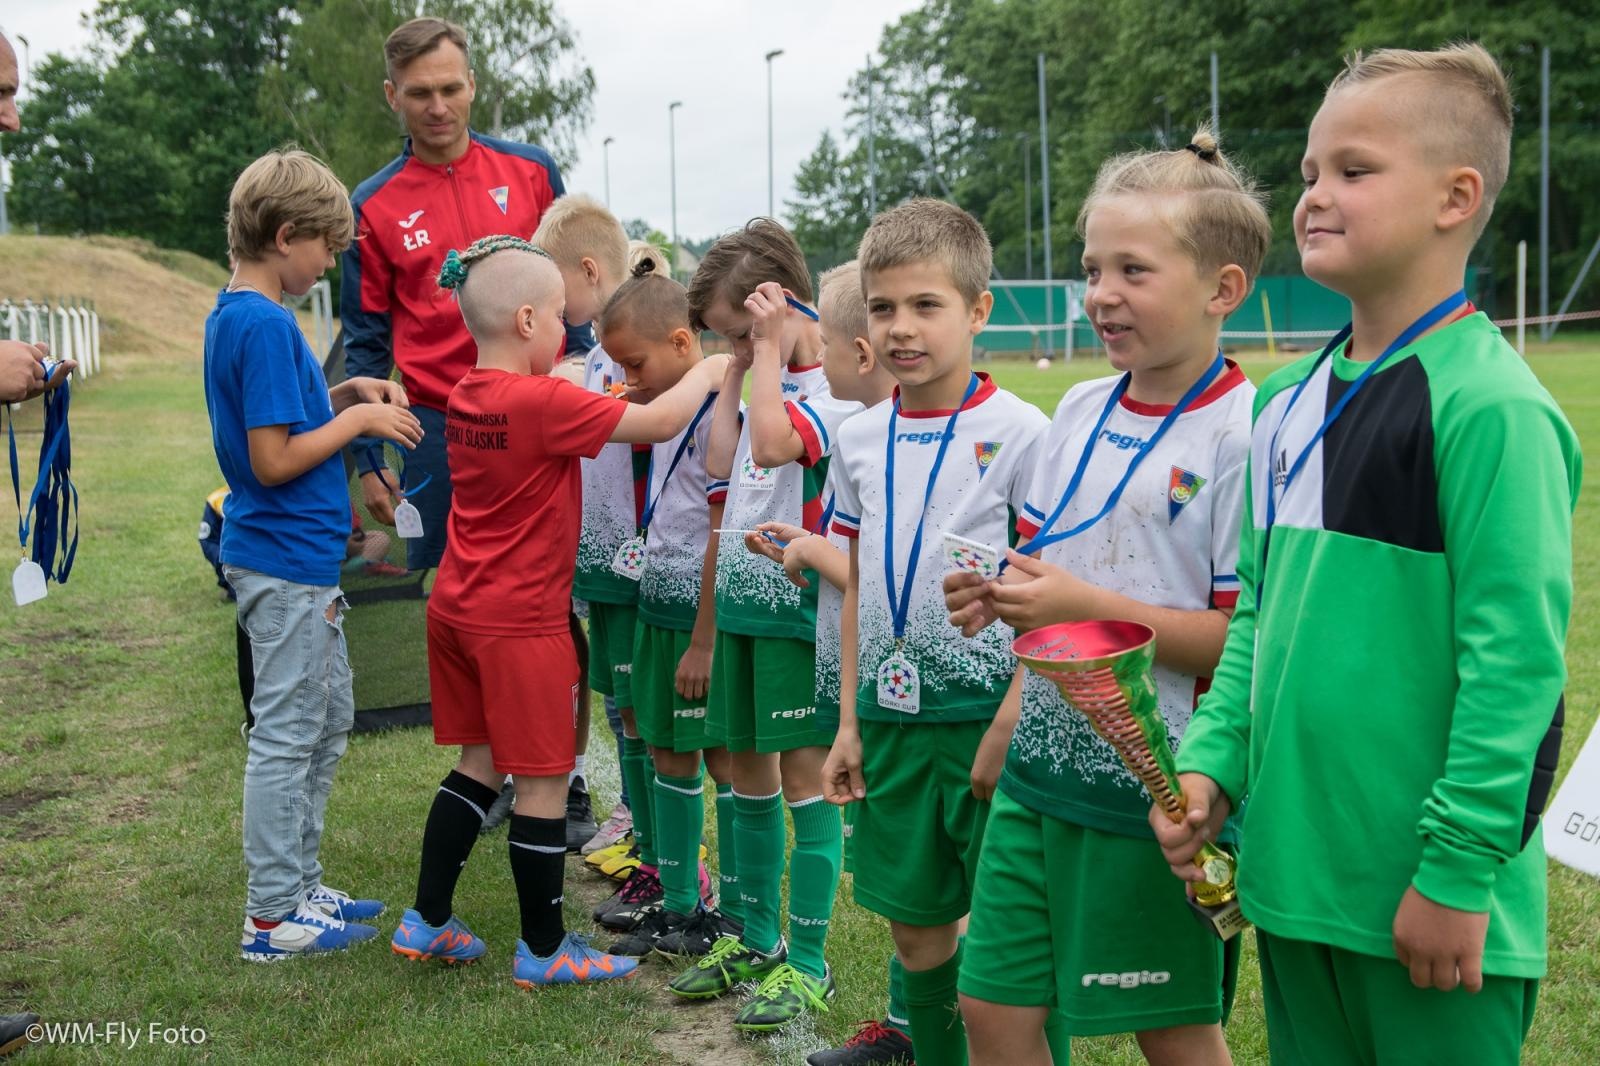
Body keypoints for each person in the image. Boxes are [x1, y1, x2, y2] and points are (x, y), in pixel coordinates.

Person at [1152, 44, 1579, 1065]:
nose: (1313, 195)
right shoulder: (1285, 404)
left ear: (1455, 196)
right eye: (1307, 173)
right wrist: (1212, 764)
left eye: (1353, 169)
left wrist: (1455, 871)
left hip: (1429, 908)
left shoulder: (1492, 406)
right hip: (1298, 891)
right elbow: (1257, 614)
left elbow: (1515, 667)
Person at [943, 129, 1270, 1066]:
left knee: (1170, 1031)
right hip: (1041, 774)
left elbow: (1233, 639)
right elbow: (1048, 573)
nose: (1101, 294)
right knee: (993, 1009)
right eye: (1093, 268)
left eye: (1134, 269)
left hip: (1161, 793)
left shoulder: (1243, 437)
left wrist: (1077, 602)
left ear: (1223, 289)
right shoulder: (1080, 409)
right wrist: (1001, 598)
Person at [386, 235, 729, 987]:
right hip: (522, 626)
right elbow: (663, 422)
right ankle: (544, 950)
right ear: (532, 321)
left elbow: (571, 418)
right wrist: (709, 367)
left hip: (458, 608)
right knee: (542, 783)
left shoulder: (468, 392)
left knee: (476, 768)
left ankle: (428, 920)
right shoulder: (542, 400)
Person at [339, 14, 597, 841]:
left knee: (556, 600)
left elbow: (575, 298)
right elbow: (367, 337)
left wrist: (588, 373)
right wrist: (372, 455)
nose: (439, 106)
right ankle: (489, 775)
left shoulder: (529, 172)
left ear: (472, 85)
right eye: (420, 94)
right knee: (469, 609)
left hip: (540, 421)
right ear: (393, 97)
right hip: (441, 436)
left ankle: (565, 774)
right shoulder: (372, 205)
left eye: (451, 88)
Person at [824, 199, 1049, 1066]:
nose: (901, 329)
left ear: (978, 311)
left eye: (927, 306)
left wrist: (1011, 721)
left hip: (991, 727)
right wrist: (848, 721)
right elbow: (853, 592)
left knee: (1012, 959)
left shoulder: (1026, 434)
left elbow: (1045, 601)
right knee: (919, 941)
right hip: (889, 728)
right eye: (883, 309)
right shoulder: (857, 436)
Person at [204, 147, 423, 960]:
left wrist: (344, 395)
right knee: (288, 732)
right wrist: (361, 426)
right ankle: (269, 915)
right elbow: (273, 460)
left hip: (299, 561)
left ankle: (300, 885)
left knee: (325, 720)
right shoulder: (262, 322)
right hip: (283, 562)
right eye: (327, 247)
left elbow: (289, 418)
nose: (331, 261)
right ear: (286, 235)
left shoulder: (239, 312)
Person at [667, 221, 863, 1032]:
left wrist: (772, 357)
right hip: (745, 615)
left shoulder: (830, 397)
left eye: (742, 331)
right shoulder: (761, 384)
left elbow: (780, 449)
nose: (738, 348)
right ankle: (755, 938)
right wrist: (739, 371)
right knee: (746, 777)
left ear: (783, 306)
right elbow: (722, 465)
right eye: (727, 337)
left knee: (802, 783)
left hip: (795, 620)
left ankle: (808, 963)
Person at [747, 262, 914, 1066]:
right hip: (865, 683)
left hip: (924, 691)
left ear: (859, 353)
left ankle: (917, 1022)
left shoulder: (881, 433)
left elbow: (911, 585)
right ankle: (906, 1020)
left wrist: (817, 551)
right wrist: (813, 549)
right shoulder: (864, 441)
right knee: (900, 871)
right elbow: (860, 561)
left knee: (923, 872)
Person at [593, 264, 736, 959]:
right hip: (654, 603)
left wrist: (704, 638)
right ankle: (678, 900)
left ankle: (722, 908)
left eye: (634, 363)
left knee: (713, 756)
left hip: (692, 617)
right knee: (663, 749)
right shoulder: (672, 402)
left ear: (684, 343)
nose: (627, 377)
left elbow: (719, 531)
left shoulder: (718, 410)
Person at [536, 195, 647, 852]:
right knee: (616, 698)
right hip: (603, 559)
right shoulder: (600, 349)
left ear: (587, 271)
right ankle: (638, 821)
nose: (553, 302)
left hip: (642, 562)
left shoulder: (637, 343)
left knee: (638, 706)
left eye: (555, 285)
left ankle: (644, 822)